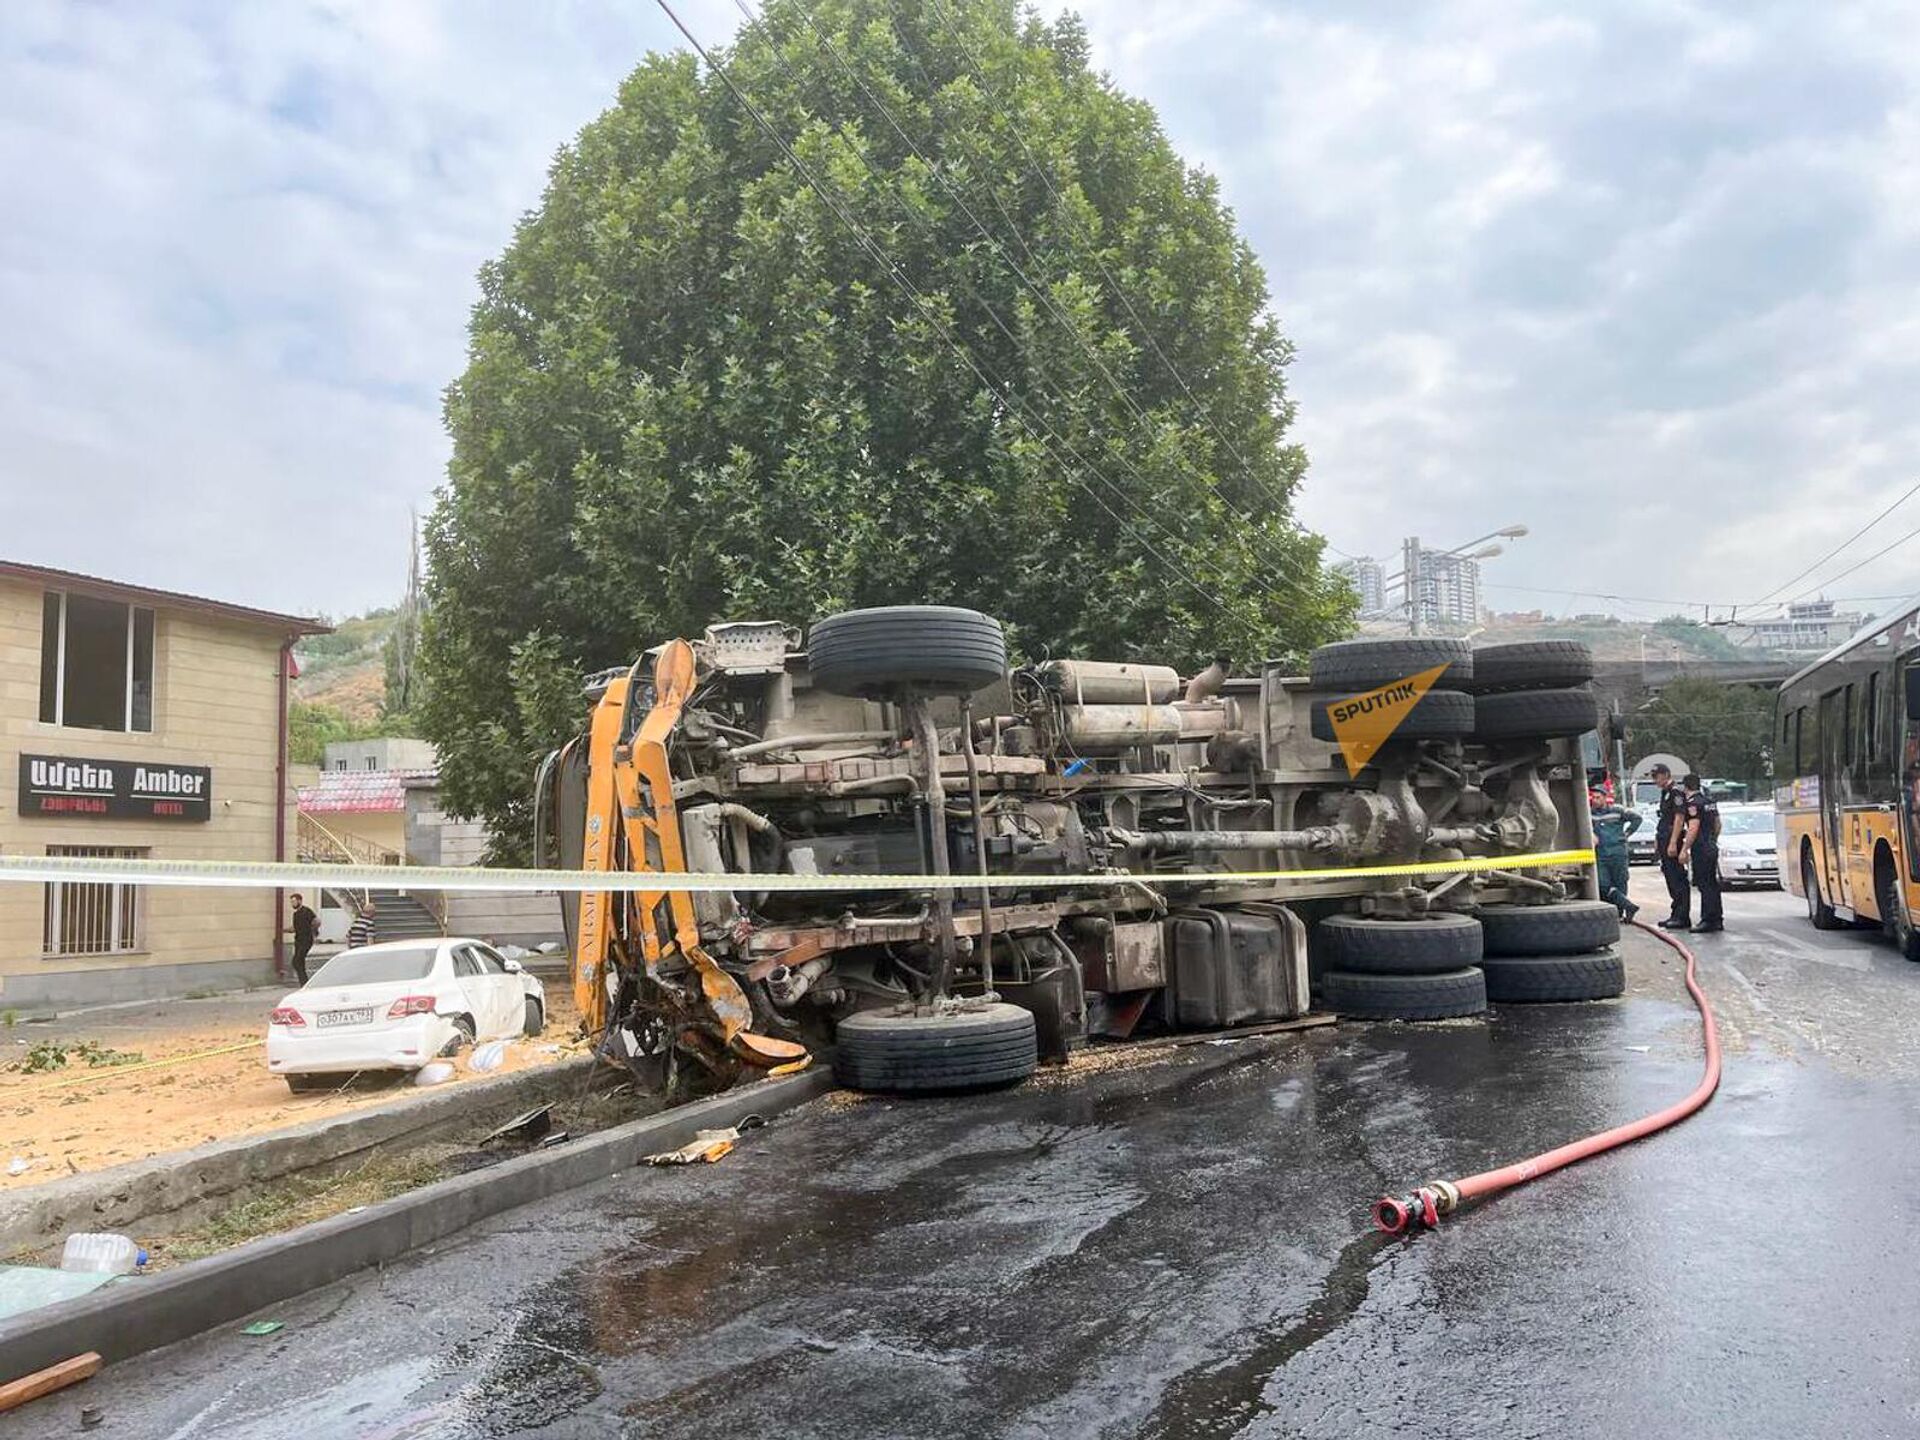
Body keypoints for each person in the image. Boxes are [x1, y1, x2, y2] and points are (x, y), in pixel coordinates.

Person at [1678, 773, 1724, 933]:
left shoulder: (1693, 804)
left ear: (1685, 787)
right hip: (1711, 845)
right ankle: (1717, 919)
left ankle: (1708, 920)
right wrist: (1712, 839)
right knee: (1712, 883)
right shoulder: (1709, 802)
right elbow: (1718, 824)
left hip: (1701, 847)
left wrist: (1684, 849)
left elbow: (1693, 827)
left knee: (1705, 884)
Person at [1589, 786, 1642, 920]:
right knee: (1603, 884)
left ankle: (1620, 912)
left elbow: (1637, 818)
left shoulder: (1617, 810)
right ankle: (1628, 905)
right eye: (1593, 798)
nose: (1595, 800)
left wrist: (1627, 834)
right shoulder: (1590, 813)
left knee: (1621, 882)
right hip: (1601, 853)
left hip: (1618, 852)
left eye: (1598, 798)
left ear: (1605, 798)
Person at [1652, 763, 1691, 930]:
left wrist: (1674, 842)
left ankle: (1682, 916)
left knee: (1677, 877)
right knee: (1670, 877)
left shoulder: (1676, 793)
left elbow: (1679, 818)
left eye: (1656, 776)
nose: (1654, 780)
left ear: (1666, 774)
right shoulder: (1665, 793)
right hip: (1664, 838)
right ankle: (1675, 913)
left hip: (1671, 839)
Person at [288, 893, 317, 986]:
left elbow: (317, 921)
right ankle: (304, 983)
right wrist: (283, 930)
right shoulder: (296, 914)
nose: (292, 904)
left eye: (294, 901)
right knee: (299, 962)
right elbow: (294, 928)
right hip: (298, 940)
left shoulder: (306, 911)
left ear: (300, 901)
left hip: (306, 939)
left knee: (297, 960)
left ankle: (304, 982)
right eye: (291, 902)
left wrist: (313, 931)